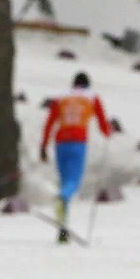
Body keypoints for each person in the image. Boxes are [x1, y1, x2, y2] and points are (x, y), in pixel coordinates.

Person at [39, 71, 111, 243]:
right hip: (78, 142)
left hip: (60, 142)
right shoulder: (91, 97)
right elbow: (103, 125)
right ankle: (63, 197)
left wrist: (43, 145)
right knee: (73, 182)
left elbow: (50, 122)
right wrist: (108, 132)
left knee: (64, 181)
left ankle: (62, 225)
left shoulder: (61, 98)